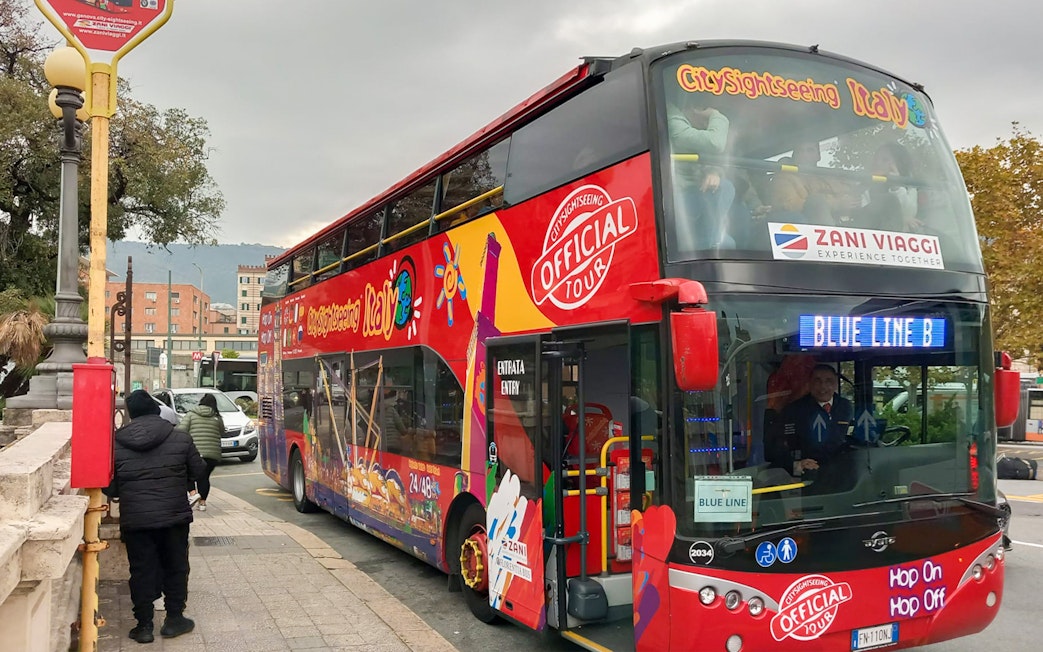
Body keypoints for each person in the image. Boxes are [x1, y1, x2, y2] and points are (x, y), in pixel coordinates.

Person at [105, 389, 206, 643]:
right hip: (174, 517)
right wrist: (183, 482)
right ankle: (174, 619)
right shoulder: (180, 438)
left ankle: (144, 626)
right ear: (156, 409)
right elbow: (199, 471)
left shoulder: (116, 443)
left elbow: (111, 487)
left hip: (137, 520)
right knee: (176, 565)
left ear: (130, 414)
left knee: (141, 570)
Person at [667, 93, 736, 249]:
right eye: (707, 121)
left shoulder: (692, 128)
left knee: (729, 243)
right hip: (671, 200)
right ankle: (706, 249)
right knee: (725, 189)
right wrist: (718, 117)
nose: (708, 128)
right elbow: (714, 143)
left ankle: (712, 244)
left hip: (691, 195)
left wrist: (714, 172)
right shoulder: (670, 116)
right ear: (695, 109)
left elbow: (708, 158)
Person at [776, 364, 853, 478]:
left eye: (829, 381)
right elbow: (778, 446)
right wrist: (796, 465)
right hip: (807, 475)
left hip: (841, 473)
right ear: (809, 384)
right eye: (817, 381)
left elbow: (852, 437)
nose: (823, 387)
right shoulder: (794, 410)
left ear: (836, 384)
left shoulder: (846, 407)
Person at [769, 140, 859, 225]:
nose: (804, 154)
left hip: (843, 225)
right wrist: (835, 204)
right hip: (808, 230)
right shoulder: (783, 178)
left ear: (818, 156)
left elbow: (846, 193)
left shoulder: (827, 177)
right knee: (816, 202)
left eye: (810, 150)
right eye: (800, 151)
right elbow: (790, 205)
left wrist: (848, 200)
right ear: (794, 156)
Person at [853, 142, 919, 232]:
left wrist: (896, 186)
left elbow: (909, 213)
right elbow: (862, 216)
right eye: (876, 159)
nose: (877, 163)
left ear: (899, 164)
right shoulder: (864, 186)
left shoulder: (909, 187)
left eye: (885, 160)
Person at [179, 393, 224, 512]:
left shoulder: (191, 415)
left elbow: (181, 430)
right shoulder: (217, 417)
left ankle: (193, 494)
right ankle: (202, 503)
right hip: (213, 454)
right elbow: (222, 432)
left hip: (194, 452)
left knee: (188, 474)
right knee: (204, 477)